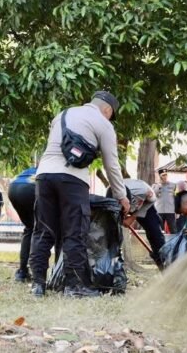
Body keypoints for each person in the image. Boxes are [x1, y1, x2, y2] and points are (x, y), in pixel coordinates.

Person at [29, 91, 130, 298]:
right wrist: (121, 196)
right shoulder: (104, 124)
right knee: (74, 232)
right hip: (73, 180)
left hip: (44, 176)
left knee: (43, 230)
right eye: (111, 114)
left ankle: (38, 284)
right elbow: (112, 166)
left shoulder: (62, 115)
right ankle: (74, 286)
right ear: (107, 110)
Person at [119, 178, 165, 270]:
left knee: (155, 234)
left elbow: (152, 200)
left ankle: (164, 264)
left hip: (146, 205)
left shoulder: (143, 192)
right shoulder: (111, 195)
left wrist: (133, 217)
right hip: (127, 202)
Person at [9, 166, 36, 282]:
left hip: (14, 188)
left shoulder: (34, 168)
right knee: (41, 231)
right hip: (31, 188)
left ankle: (22, 272)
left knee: (30, 229)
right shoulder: (55, 169)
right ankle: (38, 273)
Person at [152, 169, 177, 233]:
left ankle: (174, 242)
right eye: (163, 175)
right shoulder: (155, 185)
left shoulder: (173, 185)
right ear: (159, 176)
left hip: (170, 210)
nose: (165, 177)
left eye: (166, 175)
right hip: (159, 210)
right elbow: (154, 194)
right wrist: (159, 185)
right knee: (160, 229)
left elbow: (175, 197)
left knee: (173, 229)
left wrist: (177, 210)